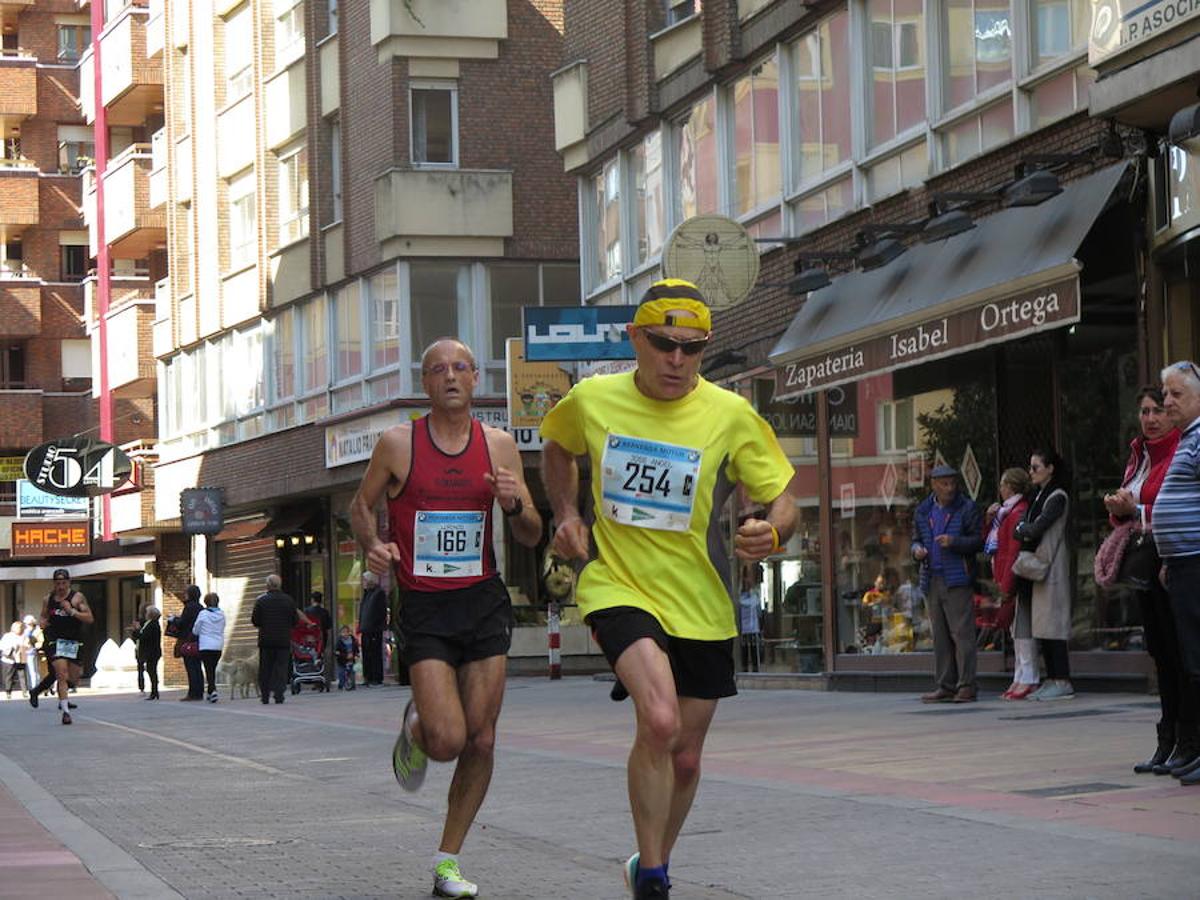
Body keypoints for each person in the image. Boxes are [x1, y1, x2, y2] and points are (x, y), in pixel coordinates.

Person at [540, 278, 796, 900]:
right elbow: (556, 447)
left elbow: (784, 498)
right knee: (657, 719)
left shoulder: (730, 413)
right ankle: (654, 881)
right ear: (636, 339)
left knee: (684, 756)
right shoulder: (593, 399)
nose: (677, 360)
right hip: (617, 586)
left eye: (693, 348)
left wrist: (772, 532)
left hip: (702, 604)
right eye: (663, 344)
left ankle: (647, 859)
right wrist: (567, 514)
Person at [351, 336, 542, 900]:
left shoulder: (501, 446)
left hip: (483, 600)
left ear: (476, 378)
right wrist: (373, 546)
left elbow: (530, 534)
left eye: (461, 367)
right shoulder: (397, 444)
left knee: (481, 740)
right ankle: (416, 727)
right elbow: (361, 506)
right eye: (439, 370)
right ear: (426, 382)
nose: (451, 377)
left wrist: (512, 504)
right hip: (426, 606)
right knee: (447, 740)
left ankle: (447, 862)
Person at [1101, 386, 1191, 772]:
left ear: (1172, 414)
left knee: (1179, 653)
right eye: (1144, 411)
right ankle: (1167, 739)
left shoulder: (1182, 450)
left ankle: (1187, 741)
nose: (1151, 418)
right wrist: (1119, 509)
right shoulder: (1139, 454)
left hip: (1174, 558)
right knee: (1159, 654)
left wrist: (1135, 506)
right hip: (1145, 562)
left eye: (1158, 410)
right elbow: (1127, 514)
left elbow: (1177, 502)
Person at [1154, 361, 1200, 785]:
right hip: (1183, 564)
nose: (1167, 401)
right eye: (1165, 394)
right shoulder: (1186, 440)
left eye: (1176, 394)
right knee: (1191, 659)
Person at [911, 464, 983, 703]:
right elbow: (915, 540)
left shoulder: (967, 508)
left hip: (958, 577)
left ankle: (967, 685)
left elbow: (978, 541)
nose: (950, 488)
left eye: (952, 483)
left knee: (962, 634)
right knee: (940, 636)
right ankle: (945, 684)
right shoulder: (923, 511)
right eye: (944, 484)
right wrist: (917, 550)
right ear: (933, 485)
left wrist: (954, 542)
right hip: (932, 577)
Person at [1014, 448, 1074, 702]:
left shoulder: (1056, 496)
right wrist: (1023, 529)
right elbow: (1027, 528)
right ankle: (1051, 679)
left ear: (1050, 468)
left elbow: (1038, 527)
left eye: (1035, 467)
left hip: (1051, 565)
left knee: (1053, 625)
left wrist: (1022, 528)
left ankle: (1062, 680)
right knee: (1042, 626)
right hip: (1038, 566)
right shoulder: (1039, 495)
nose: (1031, 472)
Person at [985, 467, 1034, 699]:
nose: (1000, 489)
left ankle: (1027, 677)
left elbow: (1013, 551)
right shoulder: (1006, 512)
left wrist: (1006, 585)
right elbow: (993, 541)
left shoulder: (1017, 512)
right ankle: (1019, 675)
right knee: (1015, 631)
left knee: (1022, 631)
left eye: (1003, 484)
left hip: (1012, 578)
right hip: (1005, 575)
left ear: (1011, 486)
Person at [32, 569, 94, 724]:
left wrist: (72, 611)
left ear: (69, 582)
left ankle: (60, 696)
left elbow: (89, 618)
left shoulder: (77, 598)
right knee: (61, 674)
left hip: (73, 640)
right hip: (54, 640)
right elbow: (43, 616)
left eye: (63, 583)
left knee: (73, 678)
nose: (60, 587)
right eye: (58, 583)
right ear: (54, 583)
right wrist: (42, 623)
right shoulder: (49, 599)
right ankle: (65, 712)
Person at [251, 574, 306, 705]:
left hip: (266, 640)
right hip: (283, 640)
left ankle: (265, 696)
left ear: (267, 585)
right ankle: (279, 695)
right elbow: (295, 620)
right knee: (281, 668)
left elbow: (255, 620)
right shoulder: (288, 600)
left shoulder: (261, 601)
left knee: (265, 668)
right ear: (279, 585)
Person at [194, 593, 226, 703]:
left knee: (208, 669)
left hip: (205, 645)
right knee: (212, 668)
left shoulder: (203, 614)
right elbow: (222, 627)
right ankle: (210, 692)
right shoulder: (222, 614)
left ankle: (213, 691)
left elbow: (196, 629)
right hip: (218, 645)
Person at [358, 571, 387, 686]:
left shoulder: (379, 593)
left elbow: (381, 612)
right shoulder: (367, 593)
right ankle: (368, 677)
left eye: (365, 580)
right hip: (366, 628)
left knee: (375, 653)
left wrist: (376, 624)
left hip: (374, 629)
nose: (364, 582)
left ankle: (376, 677)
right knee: (366, 653)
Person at [177, 585, 205, 701]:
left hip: (188, 640)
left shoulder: (188, 607)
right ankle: (199, 691)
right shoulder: (201, 607)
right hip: (199, 640)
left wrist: (174, 620)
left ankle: (193, 693)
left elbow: (183, 623)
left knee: (191, 667)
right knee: (198, 666)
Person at [305, 590, 334, 687]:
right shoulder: (324, 612)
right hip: (322, 638)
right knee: (320, 656)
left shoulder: (307, 611)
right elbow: (329, 626)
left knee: (311, 657)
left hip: (310, 638)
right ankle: (321, 677)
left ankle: (313, 677)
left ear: (312, 599)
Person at [737, 566, 763, 672]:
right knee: (744, 649)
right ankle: (744, 668)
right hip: (743, 627)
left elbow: (754, 602)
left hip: (753, 627)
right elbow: (739, 602)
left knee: (753, 648)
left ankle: (756, 668)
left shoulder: (755, 593)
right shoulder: (739, 595)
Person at [138, 607, 162, 700]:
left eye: (147, 612)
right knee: (151, 671)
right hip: (152, 651)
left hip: (152, 652)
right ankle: (154, 691)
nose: (146, 614)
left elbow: (145, 637)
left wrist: (135, 632)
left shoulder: (152, 624)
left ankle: (154, 692)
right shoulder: (151, 624)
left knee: (151, 671)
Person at [1, 622, 27, 698]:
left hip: (20, 658)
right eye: (19, 628)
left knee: (22, 676)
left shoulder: (23, 636)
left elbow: (26, 645)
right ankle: (8, 691)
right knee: (9, 676)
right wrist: (11, 647)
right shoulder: (7, 636)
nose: (21, 629)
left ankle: (24, 692)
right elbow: (2, 646)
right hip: (9, 659)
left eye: (21, 628)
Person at [335, 625, 358, 690]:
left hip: (351, 658)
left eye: (346, 632)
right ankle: (341, 685)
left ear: (349, 633)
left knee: (351, 672)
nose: (345, 634)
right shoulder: (339, 641)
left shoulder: (352, 640)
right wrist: (340, 654)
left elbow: (355, 647)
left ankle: (352, 684)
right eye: (343, 632)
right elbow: (337, 650)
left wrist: (356, 654)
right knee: (341, 673)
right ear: (340, 633)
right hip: (342, 660)